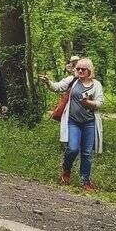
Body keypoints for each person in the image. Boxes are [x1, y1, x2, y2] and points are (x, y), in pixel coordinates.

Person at [40, 58, 104, 191]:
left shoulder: (96, 85)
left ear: (89, 71)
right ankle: (66, 169)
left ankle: (85, 180)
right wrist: (48, 82)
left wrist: (89, 103)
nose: (80, 71)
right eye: (78, 69)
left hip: (89, 123)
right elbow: (56, 87)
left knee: (86, 153)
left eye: (83, 69)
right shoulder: (72, 81)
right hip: (73, 121)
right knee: (73, 148)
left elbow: (100, 103)